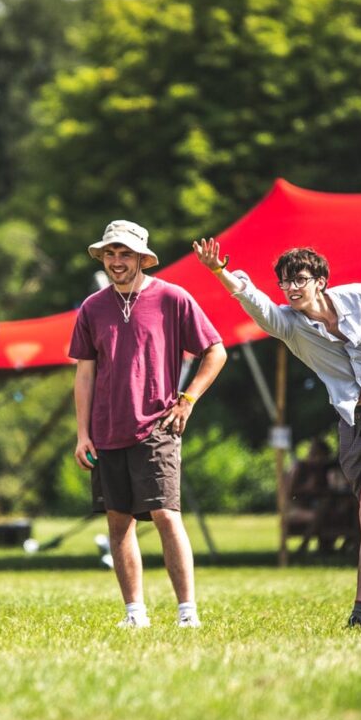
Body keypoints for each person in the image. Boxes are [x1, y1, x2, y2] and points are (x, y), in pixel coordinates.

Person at [194, 237, 361, 628]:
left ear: (320, 280)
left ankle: (360, 614)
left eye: (299, 279)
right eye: (285, 283)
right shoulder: (289, 325)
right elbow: (251, 298)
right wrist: (219, 271)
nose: (291, 289)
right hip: (353, 422)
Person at [70, 220, 227, 628]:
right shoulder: (92, 307)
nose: (116, 261)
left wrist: (188, 399)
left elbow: (215, 351)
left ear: (142, 257)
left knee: (165, 515)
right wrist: (83, 433)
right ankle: (135, 614)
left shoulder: (172, 298)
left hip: (157, 425)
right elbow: (85, 374)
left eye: (125, 254)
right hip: (106, 429)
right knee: (118, 522)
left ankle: (187, 613)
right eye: (110, 254)